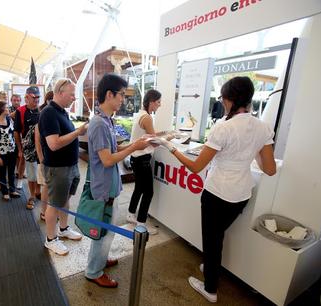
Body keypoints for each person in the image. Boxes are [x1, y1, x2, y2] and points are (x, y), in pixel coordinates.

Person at [163, 77, 276, 303]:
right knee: (218, 236)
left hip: (217, 194)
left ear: (230, 99)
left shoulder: (223, 127)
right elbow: (270, 169)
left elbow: (196, 167)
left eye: (223, 99)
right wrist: (250, 150)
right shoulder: (262, 127)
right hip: (242, 194)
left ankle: (210, 289)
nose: (223, 103)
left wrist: (171, 148)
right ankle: (211, 267)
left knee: (212, 241)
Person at [84, 73, 150, 288]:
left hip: (108, 186)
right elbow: (107, 159)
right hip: (103, 188)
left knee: (108, 229)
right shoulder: (100, 124)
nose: (123, 99)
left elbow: (113, 150)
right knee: (102, 232)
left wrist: (136, 144)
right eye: (121, 94)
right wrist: (134, 147)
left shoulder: (106, 121)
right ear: (109, 94)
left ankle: (100, 260)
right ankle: (94, 271)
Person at [39, 79, 88, 255]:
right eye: (72, 94)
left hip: (69, 165)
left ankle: (64, 228)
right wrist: (78, 132)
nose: (74, 98)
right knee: (55, 204)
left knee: (65, 199)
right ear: (60, 92)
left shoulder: (61, 112)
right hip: (58, 168)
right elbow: (53, 144)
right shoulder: (49, 113)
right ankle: (50, 239)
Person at [126, 89, 162, 235]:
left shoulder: (140, 115)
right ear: (152, 102)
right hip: (142, 160)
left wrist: (162, 135)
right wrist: (168, 138)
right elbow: (153, 142)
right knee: (148, 192)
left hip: (136, 158)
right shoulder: (147, 118)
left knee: (139, 188)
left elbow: (149, 136)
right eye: (158, 102)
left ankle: (130, 214)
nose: (159, 105)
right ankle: (141, 225)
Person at [14, 86, 41, 209]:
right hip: (29, 148)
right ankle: (32, 196)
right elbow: (16, 132)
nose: (36, 100)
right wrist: (20, 149)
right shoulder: (20, 111)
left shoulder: (42, 110)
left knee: (40, 172)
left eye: (38, 97)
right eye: (34, 98)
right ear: (27, 98)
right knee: (31, 174)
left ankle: (38, 191)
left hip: (42, 147)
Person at [0, 101, 20, 201]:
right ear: (1, 109)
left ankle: (12, 190)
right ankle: (5, 192)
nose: (8, 109)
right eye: (6, 107)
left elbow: (14, 135)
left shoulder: (9, 119)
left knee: (11, 172)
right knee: (2, 172)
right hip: (1, 152)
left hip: (12, 150)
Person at [35, 101, 49, 221]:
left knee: (51, 187)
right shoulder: (39, 125)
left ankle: (49, 211)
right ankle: (43, 212)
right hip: (44, 161)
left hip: (53, 161)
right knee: (46, 186)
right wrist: (41, 161)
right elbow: (38, 145)